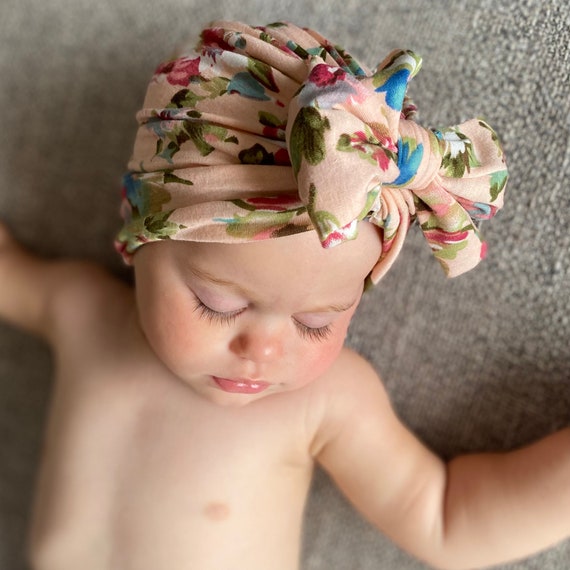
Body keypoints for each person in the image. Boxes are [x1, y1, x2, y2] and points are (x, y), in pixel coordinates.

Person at [0, 19, 568, 570]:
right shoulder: (81, 312)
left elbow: (445, 517)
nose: (264, 349)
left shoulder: (324, 401)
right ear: (141, 233)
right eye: (217, 304)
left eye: (316, 321)